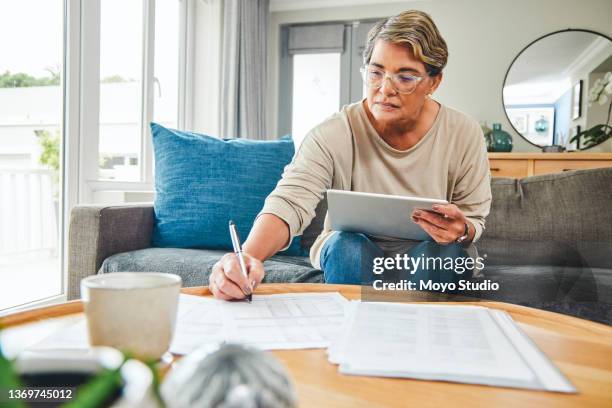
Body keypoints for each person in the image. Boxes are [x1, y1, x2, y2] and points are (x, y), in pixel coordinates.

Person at [209, 10, 492, 300]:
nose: (385, 90)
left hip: (430, 254)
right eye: (375, 72)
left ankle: (420, 334)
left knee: (443, 254)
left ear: (434, 82)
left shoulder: (463, 132)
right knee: (347, 247)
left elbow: (473, 218)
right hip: (351, 252)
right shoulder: (334, 132)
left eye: (405, 77)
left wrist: (462, 230)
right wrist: (248, 258)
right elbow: (290, 201)